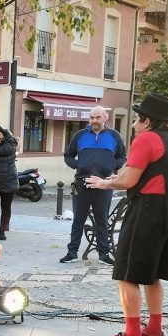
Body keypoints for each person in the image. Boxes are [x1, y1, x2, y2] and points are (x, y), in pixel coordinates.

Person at [85, 94, 168, 336]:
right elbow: (143, 172)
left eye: (136, 119)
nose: (133, 124)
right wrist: (118, 176)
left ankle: (132, 334)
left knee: (127, 272)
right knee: (152, 274)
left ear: (147, 120)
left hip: (149, 211)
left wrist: (104, 183)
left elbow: (127, 181)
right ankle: (154, 329)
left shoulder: (146, 138)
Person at [61, 106, 126, 262]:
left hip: (104, 184)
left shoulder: (114, 136)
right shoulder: (80, 135)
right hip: (81, 183)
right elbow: (68, 155)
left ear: (105, 118)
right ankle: (72, 252)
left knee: (102, 220)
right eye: (91, 118)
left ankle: (103, 253)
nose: (94, 121)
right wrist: (79, 165)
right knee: (78, 220)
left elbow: (122, 156)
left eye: (97, 117)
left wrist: (111, 167)